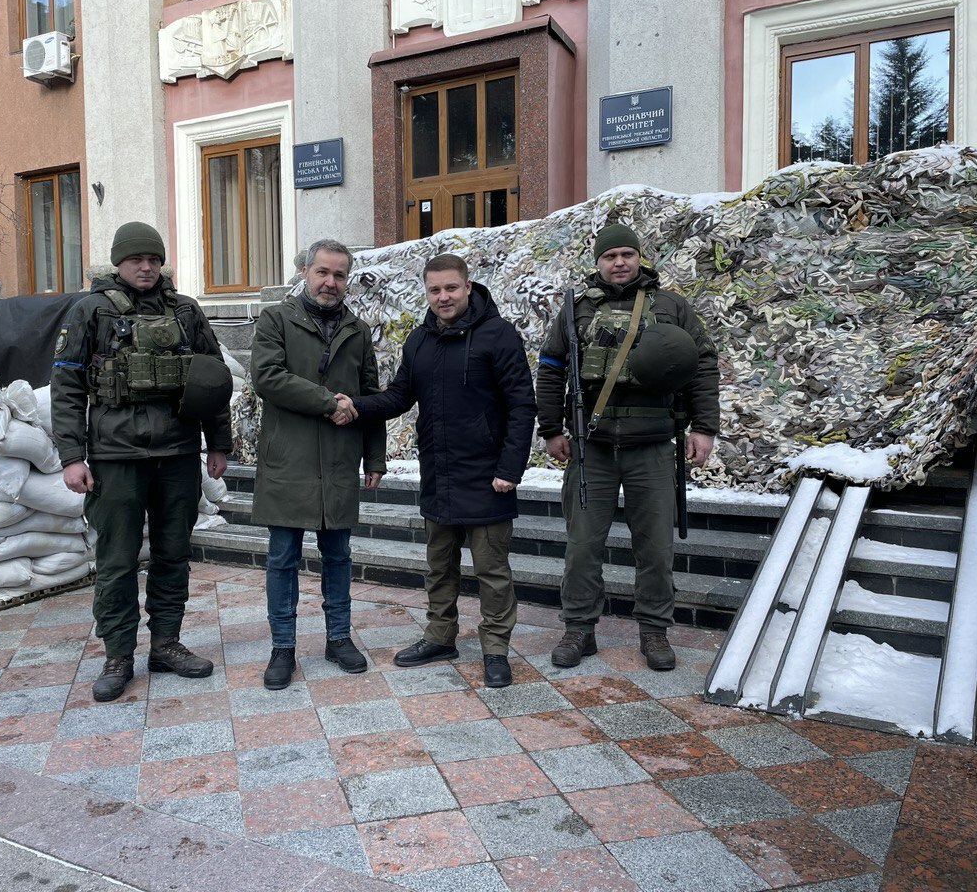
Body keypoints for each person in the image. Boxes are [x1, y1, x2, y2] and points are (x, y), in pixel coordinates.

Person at [51, 221, 232, 702]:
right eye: (136, 260)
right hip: (115, 458)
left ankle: (167, 644)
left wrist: (218, 445)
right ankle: (118, 656)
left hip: (176, 454)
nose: (147, 267)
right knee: (117, 561)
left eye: (153, 259)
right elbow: (66, 391)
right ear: (119, 263)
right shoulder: (90, 311)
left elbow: (213, 383)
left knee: (174, 554)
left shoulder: (186, 311)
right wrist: (72, 456)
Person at [338, 254, 536, 688]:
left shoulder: (499, 336)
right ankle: (440, 636)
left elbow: (523, 405)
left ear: (468, 287)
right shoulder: (419, 341)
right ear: (426, 292)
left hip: (488, 477)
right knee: (439, 567)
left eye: (451, 288)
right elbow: (399, 396)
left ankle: (495, 648)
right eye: (435, 290)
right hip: (439, 472)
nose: (443, 297)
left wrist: (510, 468)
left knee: (492, 571)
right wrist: (357, 406)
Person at [536, 222, 719, 671]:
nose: (619, 263)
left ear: (640, 257)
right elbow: (549, 368)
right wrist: (551, 428)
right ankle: (579, 628)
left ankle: (654, 631)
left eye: (627, 254)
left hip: (653, 446)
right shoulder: (575, 311)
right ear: (597, 262)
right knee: (582, 546)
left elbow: (703, 365)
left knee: (655, 547)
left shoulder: (672, 306)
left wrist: (705, 427)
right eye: (610, 256)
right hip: (590, 447)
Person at [249, 238, 387, 691]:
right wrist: (328, 402)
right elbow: (268, 377)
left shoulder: (358, 329)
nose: (330, 282)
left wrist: (375, 456)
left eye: (339, 275)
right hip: (289, 460)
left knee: (339, 557)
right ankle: (283, 648)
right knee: (283, 559)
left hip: (340, 459)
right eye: (323, 272)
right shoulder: (276, 319)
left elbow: (370, 396)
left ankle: (338, 638)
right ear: (305, 272)